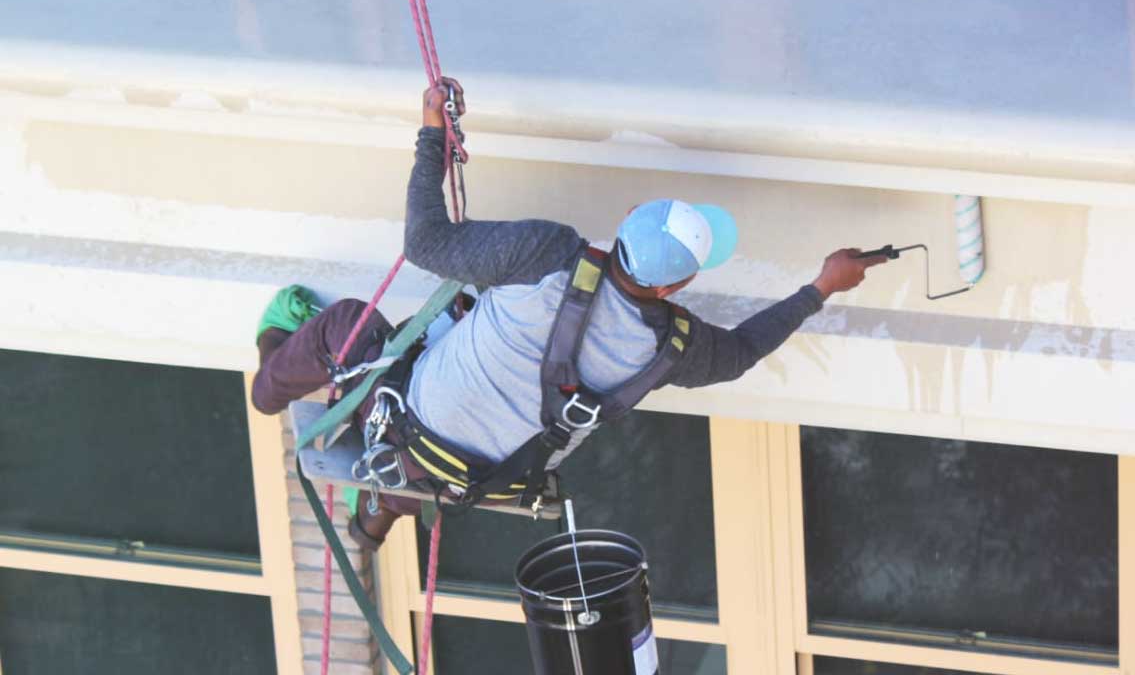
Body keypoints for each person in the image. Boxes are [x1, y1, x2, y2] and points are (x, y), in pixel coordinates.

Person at [251, 78, 887, 550]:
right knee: (457, 353)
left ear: (622, 234)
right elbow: (744, 352)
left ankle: (266, 386)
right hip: (487, 479)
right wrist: (821, 287)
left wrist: (431, 136)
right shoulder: (671, 347)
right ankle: (374, 521)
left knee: (346, 323)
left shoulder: (548, 253)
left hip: (410, 430)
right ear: (674, 288)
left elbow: (426, 244)